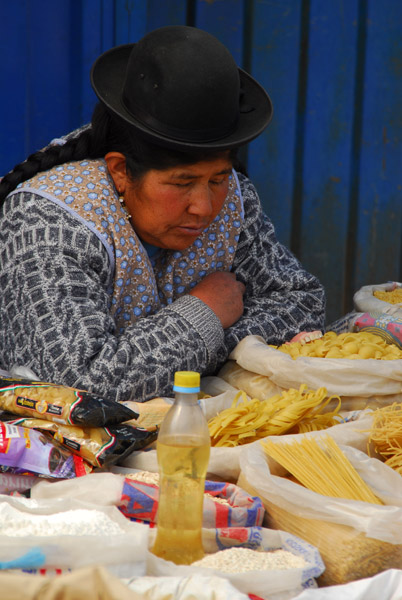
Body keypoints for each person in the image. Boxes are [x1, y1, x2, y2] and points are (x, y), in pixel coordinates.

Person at [0, 26, 325, 402]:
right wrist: (205, 313)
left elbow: (301, 300)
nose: (203, 207)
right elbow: (82, 385)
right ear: (121, 171)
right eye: (181, 183)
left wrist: (194, 345)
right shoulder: (48, 221)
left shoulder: (233, 197)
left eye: (217, 178)